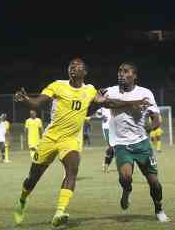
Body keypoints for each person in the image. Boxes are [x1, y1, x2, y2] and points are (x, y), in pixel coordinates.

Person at [13, 58, 149, 227]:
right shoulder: (57, 85)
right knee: (32, 179)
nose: (73, 68)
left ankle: (60, 211)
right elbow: (38, 102)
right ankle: (22, 200)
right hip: (50, 138)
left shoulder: (90, 90)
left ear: (84, 72)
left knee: (72, 170)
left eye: (78, 66)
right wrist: (26, 99)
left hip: (71, 140)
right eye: (71, 66)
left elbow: (109, 103)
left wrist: (133, 102)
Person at [105, 62, 170, 222]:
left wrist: (150, 127)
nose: (121, 73)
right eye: (119, 70)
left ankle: (159, 209)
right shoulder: (110, 91)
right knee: (126, 178)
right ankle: (127, 191)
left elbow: (156, 118)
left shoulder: (145, 93)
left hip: (142, 144)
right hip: (121, 144)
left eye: (126, 71)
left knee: (155, 183)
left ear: (134, 76)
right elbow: (105, 102)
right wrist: (133, 103)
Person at [96, 107, 115, 173]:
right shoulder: (102, 104)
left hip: (115, 127)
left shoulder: (114, 101)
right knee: (111, 146)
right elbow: (98, 114)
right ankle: (106, 165)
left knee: (114, 148)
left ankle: (106, 164)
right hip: (107, 127)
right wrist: (102, 116)